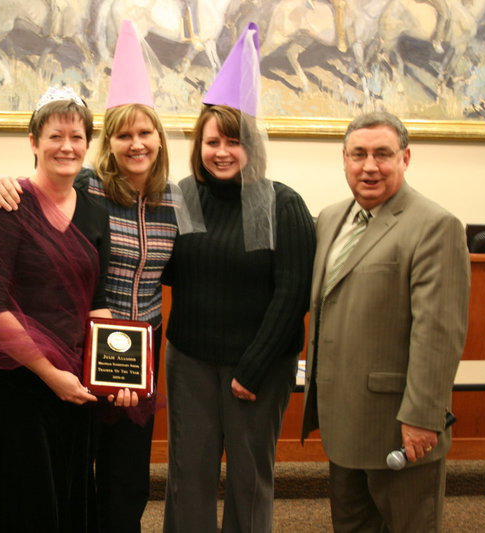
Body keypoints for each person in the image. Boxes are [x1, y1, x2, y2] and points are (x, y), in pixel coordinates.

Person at [0, 21, 178, 533]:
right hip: (80, 347)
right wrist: (1, 181)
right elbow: (44, 180)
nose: (136, 143)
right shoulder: (89, 189)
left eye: (145, 132)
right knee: (67, 474)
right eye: (124, 134)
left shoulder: (179, 202)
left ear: (159, 137)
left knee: (126, 478)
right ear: (108, 143)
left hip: (140, 352)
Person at [0, 86, 133, 533]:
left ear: (88, 144)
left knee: (64, 497)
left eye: (77, 136)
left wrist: (114, 375)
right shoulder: (6, 205)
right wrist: (52, 376)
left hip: (71, 385)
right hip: (12, 386)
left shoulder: (95, 212)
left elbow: (98, 306)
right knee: (17, 505)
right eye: (55, 136)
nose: (66, 146)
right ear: (33, 142)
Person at [162, 24, 315, 533]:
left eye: (234, 140)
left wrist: (251, 369)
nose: (222, 151)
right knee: (189, 476)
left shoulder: (283, 203)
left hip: (259, 370)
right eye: (212, 141)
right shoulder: (179, 197)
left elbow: (293, 292)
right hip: (190, 364)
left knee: (250, 481)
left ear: (253, 144)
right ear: (198, 146)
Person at [301, 111, 470, 533]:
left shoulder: (435, 226)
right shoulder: (329, 219)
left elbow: (439, 332)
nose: (369, 166)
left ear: (405, 158)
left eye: (382, 154)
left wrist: (424, 415)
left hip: (400, 424)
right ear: (344, 159)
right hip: (344, 422)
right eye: (358, 154)